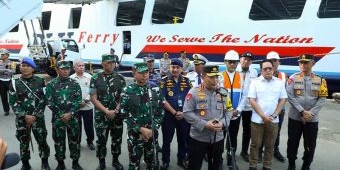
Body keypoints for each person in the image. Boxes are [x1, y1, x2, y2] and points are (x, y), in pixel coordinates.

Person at [183, 65, 232, 170]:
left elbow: (229, 111)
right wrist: (204, 124)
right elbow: (187, 112)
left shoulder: (223, 92)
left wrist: (223, 123)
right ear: (203, 76)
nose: (215, 80)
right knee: (194, 166)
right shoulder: (193, 92)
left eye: (216, 77)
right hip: (198, 138)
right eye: (211, 77)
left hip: (218, 138)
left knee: (215, 166)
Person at [286, 54, 328, 170]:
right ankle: (291, 164)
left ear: (312, 63)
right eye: (301, 62)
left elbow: (322, 98)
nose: (303, 65)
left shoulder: (320, 80)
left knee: (310, 144)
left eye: (306, 62)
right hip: (295, 117)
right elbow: (290, 96)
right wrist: (302, 111)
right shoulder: (293, 78)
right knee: (292, 142)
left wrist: (310, 113)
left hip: (312, 119)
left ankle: (306, 165)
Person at [8, 58, 51, 170]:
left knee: (42, 141)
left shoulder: (40, 81)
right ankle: (25, 164)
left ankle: (45, 162)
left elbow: (44, 99)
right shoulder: (14, 83)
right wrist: (24, 115)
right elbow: (12, 101)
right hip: (22, 120)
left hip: (38, 118)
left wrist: (35, 115)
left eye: (27, 66)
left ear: (33, 68)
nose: (24, 67)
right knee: (24, 142)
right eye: (22, 65)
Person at [120, 62, 164, 170]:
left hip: (152, 133)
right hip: (134, 134)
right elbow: (124, 113)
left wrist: (152, 128)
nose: (144, 75)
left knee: (152, 162)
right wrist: (140, 129)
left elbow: (160, 111)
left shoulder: (155, 90)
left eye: (146, 72)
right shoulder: (127, 91)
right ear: (134, 73)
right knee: (134, 162)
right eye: (141, 73)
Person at [247, 59, 287, 170]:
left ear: (273, 69)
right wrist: (263, 116)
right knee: (255, 145)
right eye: (265, 69)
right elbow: (252, 100)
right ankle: (253, 166)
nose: (268, 70)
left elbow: (283, 100)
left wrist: (274, 115)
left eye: (270, 68)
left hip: (273, 120)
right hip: (257, 120)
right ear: (261, 70)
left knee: (270, 146)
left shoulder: (279, 82)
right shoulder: (255, 82)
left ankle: (267, 166)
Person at [89, 54, 126, 170]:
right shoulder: (94, 78)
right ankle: (102, 163)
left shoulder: (120, 78)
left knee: (117, 139)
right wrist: (106, 111)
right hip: (101, 116)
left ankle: (115, 161)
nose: (111, 65)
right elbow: (93, 98)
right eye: (108, 63)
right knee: (101, 140)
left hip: (117, 115)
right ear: (102, 63)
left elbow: (123, 97)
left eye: (113, 63)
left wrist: (116, 110)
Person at [45, 61, 83, 170]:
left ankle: (75, 162)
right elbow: (49, 101)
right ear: (57, 70)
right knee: (58, 141)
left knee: (75, 141)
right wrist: (62, 114)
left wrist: (70, 113)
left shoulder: (74, 83)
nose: (65, 71)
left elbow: (78, 100)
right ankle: (60, 163)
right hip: (58, 119)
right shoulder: (51, 84)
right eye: (62, 69)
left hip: (73, 118)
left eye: (67, 69)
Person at [160, 59, 192, 170]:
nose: (175, 69)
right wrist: (174, 112)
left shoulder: (187, 81)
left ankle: (182, 159)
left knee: (183, 139)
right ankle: (165, 161)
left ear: (181, 69)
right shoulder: (163, 81)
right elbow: (162, 99)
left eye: (177, 67)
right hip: (169, 116)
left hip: (183, 115)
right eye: (173, 67)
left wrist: (183, 112)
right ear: (169, 67)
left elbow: (191, 99)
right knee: (167, 140)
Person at [257, 51, 288, 162]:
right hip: (263, 110)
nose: (273, 63)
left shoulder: (284, 76)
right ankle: (259, 152)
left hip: (279, 110)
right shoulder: (260, 74)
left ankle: (275, 151)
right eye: (271, 61)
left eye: (275, 60)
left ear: (279, 62)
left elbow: (285, 95)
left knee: (276, 132)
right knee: (260, 132)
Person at [219, 50, 246, 169]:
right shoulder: (219, 76)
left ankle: (231, 159)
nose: (232, 64)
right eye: (230, 62)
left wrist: (239, 109)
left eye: (235, 62)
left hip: (235, 114)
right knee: (220, 137)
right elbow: (216, 95)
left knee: (233, 137)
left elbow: (244, 95)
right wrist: (224, 110)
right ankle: (218, 160)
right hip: (222, 114)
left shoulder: (241, 76)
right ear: (225, 62)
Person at [70, 59, 95, 151]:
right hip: (76, 107)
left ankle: (90, 142)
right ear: (74, 68)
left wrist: (87, 99)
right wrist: (77, 102)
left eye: (83, 65)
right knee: (77, 126)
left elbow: (92, 90)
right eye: (79, 66)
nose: (81, 67)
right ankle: (77, 142)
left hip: (88, 106)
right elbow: (70, 93)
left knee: (89, 126)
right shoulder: (71, 78)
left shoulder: (89, 77)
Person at [237, 52, 258, 162]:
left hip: (249, 107)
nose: (246, 61)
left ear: (251, 62)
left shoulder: (254, 72)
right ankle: (230, 151)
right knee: (232, 131)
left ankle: (244, 151)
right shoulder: (234, 70)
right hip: (236, 106)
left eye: (249, 60)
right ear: (240, 59)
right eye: (244, 59)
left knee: (247, 131)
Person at [0, 48, 16, 116]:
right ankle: (6, 110)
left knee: (13, 96)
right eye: (1, 54)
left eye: (3, 54)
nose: (1, 55)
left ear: (7, 55)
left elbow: (13, 71)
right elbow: (9, 71)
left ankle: (16, 109)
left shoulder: (12, 63)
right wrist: (6, 70)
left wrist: (2, 70)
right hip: (1, 81)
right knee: (3, 97)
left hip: (9, 81)